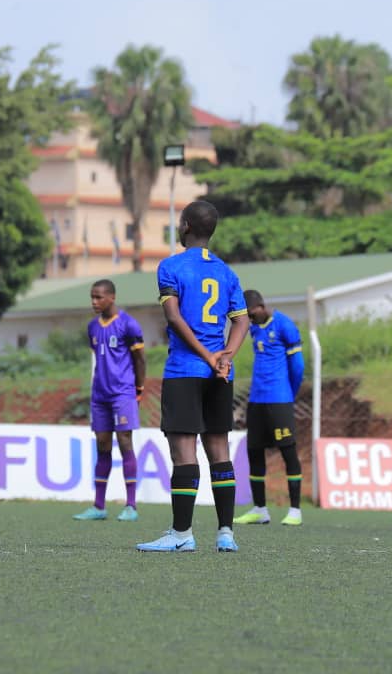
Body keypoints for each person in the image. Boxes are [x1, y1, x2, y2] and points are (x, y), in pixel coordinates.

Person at [137, 200, 249, 553]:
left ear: (184, 225)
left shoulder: (171, 266)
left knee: (184, 452)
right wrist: (225, 356)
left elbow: (174, 317)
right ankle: (226, 533)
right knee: (219, 449)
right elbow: (242, 321)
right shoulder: (227, 272)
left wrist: (207, 355)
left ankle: (182, 533)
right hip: (219, 374)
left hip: (185, 370)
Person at [74, 279, 146, 522]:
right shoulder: (92, 327)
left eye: (99, 297)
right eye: (92, 297)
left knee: (125, 442)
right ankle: (99, 506)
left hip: (123, 393)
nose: (94, 301)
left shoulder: (128, 324)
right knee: (102, 446)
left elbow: (140, 359)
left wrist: (139, 389)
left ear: (112, 297)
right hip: (100, 395)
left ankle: (131, 506)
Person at [233, 290, 306, 527]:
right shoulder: (254, 328)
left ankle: (295, 510)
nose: (249, 318)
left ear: (261, 306)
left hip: (279, 400)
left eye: (250, 313)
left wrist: (289, 394)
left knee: (288, 452)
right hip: (257, 400)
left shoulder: (284, 325)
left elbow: (298, 366)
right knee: (254, 452)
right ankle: (260, 509)